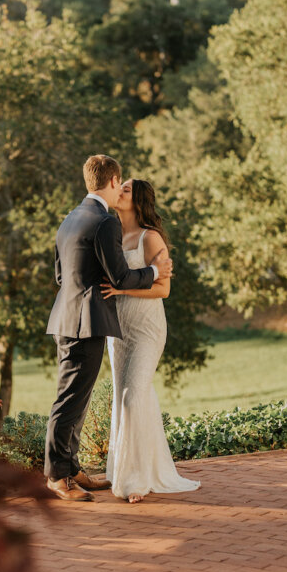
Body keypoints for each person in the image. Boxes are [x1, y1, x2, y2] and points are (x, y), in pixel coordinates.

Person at [44, 155, 172, 502]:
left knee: (77, 397)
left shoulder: (71, 217)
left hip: (69, 317)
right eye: (122, 183)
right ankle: (58, 477)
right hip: (84, 321)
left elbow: (60, 275)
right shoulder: (104, 221)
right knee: (70, 399)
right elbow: (119, 277)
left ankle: (71, 469)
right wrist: (155, 273)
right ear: (113, 181)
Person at [99, 179, 200, 503]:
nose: (119, 191)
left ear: (138, 199)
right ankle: (122, 470)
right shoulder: (113, 233)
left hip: (146, 329)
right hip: (118, 330)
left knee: (133, 396)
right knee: (124, 397)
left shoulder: (150, 237)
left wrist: (122, 290)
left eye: (126, 189)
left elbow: (163, 290)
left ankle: (137, 481)